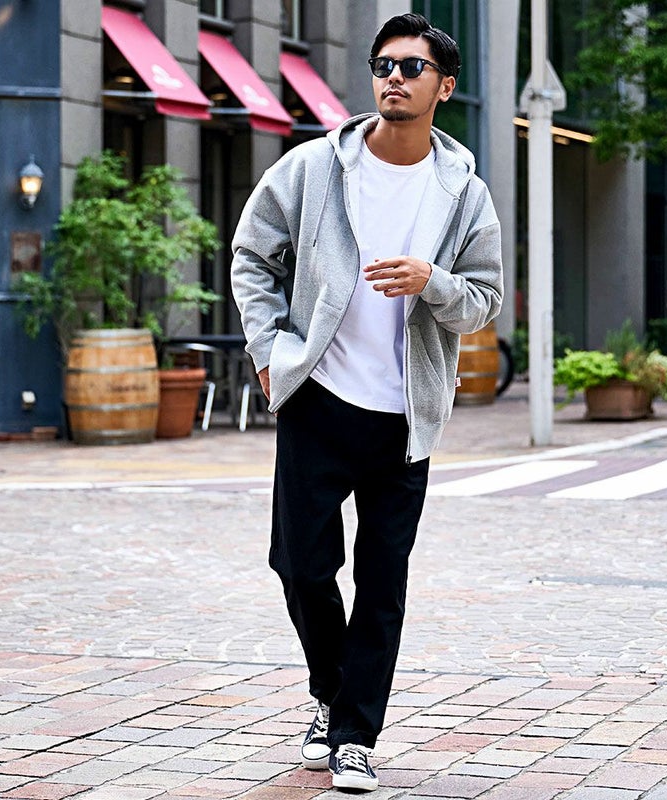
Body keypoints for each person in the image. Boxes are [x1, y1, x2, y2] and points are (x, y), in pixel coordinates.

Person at [231, 12, 503, 793]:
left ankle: (354, 736)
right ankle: (330, 689)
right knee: (299, 566)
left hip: (404, 416)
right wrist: (268, 350)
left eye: (412, 68)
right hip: (318, 399)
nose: (394, 78)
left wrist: (432, 282)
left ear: (444, 87)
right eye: (384, 65)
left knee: (382, 584)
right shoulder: (316, 167)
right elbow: (252, 255)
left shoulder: (464, 193)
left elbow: (483, 301)